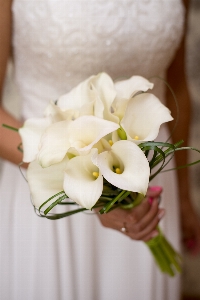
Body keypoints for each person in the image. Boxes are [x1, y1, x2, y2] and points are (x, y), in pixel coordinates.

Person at [0, 0, 200, 299]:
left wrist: (183, 196)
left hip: (149, 188)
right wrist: (97, 196)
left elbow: (177, 88)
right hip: (54, 183)